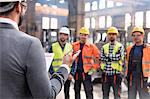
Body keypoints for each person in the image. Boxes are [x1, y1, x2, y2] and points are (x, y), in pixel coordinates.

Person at [0, 0, 79, 99]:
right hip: (55, 75)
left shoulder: (70, 46)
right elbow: (45, 96)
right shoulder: (30, 44)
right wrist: (65, 67)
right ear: (18, 7)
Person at [72, 27, 100, 99]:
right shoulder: (74, 45)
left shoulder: (91, 46)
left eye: (85, 35)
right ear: (79, 35)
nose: (83, 37)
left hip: (87, 72)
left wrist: (93, 69)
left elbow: (98, 57)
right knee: (76, 90)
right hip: (77, 72)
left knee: (88, 91)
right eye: (82, 35)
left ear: (87, 36)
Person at [48, 26, 73, 99]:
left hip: (67, 75)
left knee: (67, 94)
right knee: (55, 94)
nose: (63, 36)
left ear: (67, 36)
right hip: (56, 75)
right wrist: (52, 73)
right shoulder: (53, 46)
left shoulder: (70, 47)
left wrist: (71, 73)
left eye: (65, 35)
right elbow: (49, 62)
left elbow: (73, 62)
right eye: (61, 34)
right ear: (59, 35)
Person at [126, 26, 150, 99]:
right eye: (134, 35)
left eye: (138, 35)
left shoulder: (148, 49)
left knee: (144, 97)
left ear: (142, 36)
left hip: (143, 78)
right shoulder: (129, 49)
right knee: (131, 97)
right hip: (132, 77)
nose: (136, 37)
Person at [100, 26, 125, 99]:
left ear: (116, 35)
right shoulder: (104, 47)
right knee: (105, 95)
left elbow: (119, 57)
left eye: (113, 34)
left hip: (116, 74)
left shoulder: (120, 46)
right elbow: (102, 58)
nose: (111, 36)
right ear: (108, 35)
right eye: (110, 34)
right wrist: (112, 57)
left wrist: (108, 56)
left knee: (117, 95)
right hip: (105, 74)